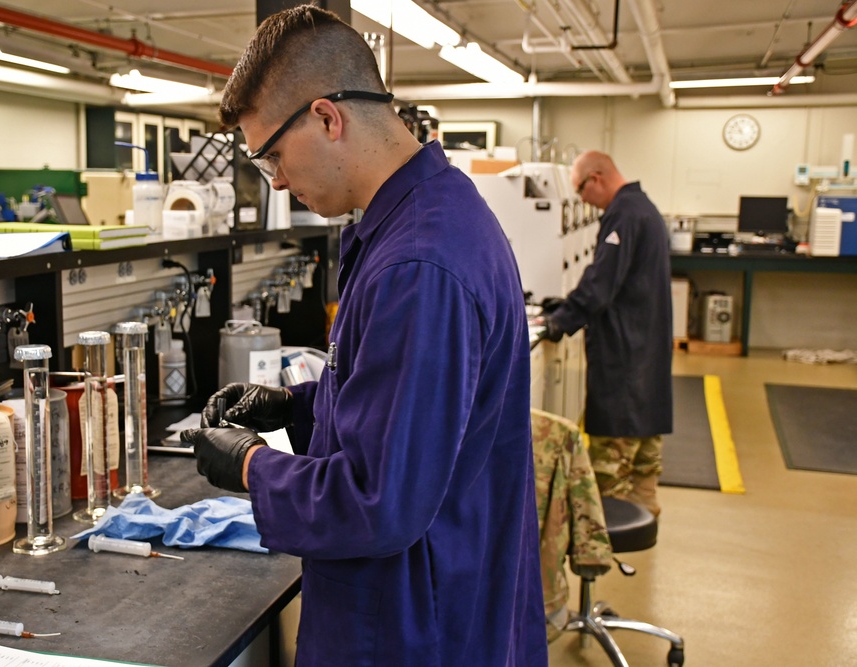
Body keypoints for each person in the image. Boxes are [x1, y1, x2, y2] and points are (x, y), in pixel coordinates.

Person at [181, 6, 548, 666]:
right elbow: (411, 404)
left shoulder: (418, 263)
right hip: (433, 598)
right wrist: (300, 408)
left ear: (327, 117)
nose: (281, 181)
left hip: (410, 628)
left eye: (272, 158)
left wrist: (248, 465)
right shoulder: (429, 213)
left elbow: (381, 502)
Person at [542, 150, 673, 516]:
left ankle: (608, 540)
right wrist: (564, 304)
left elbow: (601, 284)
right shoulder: (643, 209)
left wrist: (560, 322)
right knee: (644, 469)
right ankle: (643, 517)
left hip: (625, 355)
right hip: (646, 352)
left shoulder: (624, 214)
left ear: (596, 178)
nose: (583, 200)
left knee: (608, 476)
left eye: (581, 190)